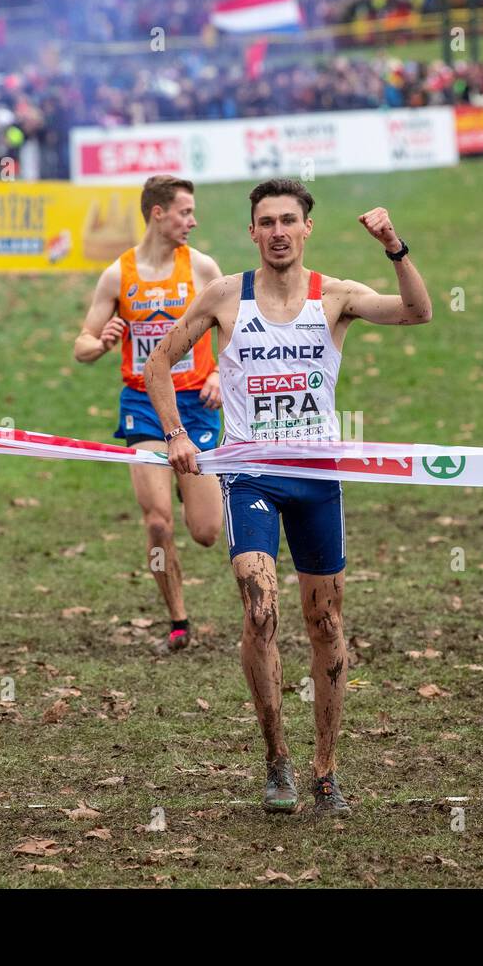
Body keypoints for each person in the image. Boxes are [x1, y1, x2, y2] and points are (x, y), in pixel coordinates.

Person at [143, 178, 432, 815]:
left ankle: (326, 768)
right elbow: (157, 364)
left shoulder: (336, 296)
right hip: (249, 475)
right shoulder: (224, 297)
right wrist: (175, 434)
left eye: (288, 221)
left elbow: (417, 311)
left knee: (325, 624)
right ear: (252, 233)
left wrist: (394, 246)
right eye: (266, 222)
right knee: (261, 609)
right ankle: (277, 758)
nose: (277, 232)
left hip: (317, 479)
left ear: (305, 230)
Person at [73, 175, 224, 654]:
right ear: (158, 213)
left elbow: (233, 329)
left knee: (205, 532)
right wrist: (100, 344)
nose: (192, 221)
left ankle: (191, 491)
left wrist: (220, 373)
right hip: (142, 405)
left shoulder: (201, 268)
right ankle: (178, 618)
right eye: (185, 212)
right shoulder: (118, 275)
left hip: (194, 404)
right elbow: (81, 345)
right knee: (158, 523)